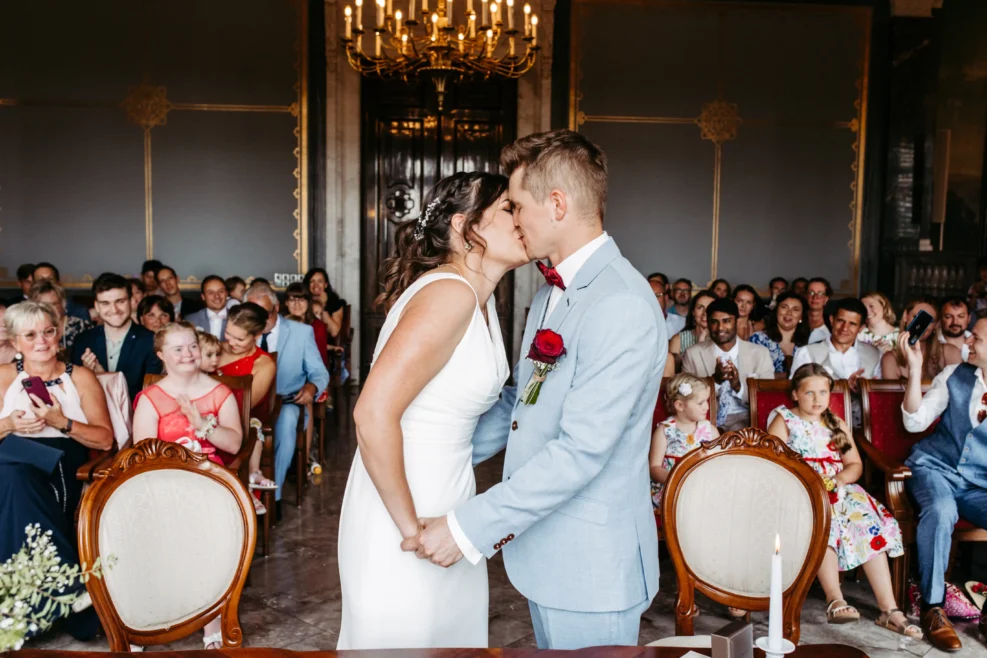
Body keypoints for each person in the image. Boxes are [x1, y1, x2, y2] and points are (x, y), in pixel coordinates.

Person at [406, 131, 665, 651]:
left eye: (517, 204)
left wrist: (465, 528)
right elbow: (522, 403)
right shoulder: (550, 291)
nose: (514, 218)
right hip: (547, 552)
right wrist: (430, 456)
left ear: (558, 204)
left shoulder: (621, 304)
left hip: (593, 565)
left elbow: (582, 451)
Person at [336, 171, 523, 648]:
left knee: (446, 640)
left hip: (449, 493)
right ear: (465, 227)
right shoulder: (448, 294)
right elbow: (371, 413)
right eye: (508, 208)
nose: (521, 217)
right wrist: (409, 529)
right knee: (409, 636)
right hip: (402, 503)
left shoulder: (480, 299)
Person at [768, 365, 918, 639]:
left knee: (867, 523)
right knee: (826, 521)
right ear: (795, 394)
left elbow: (854, 464)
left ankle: (889, 609)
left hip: (838, 487)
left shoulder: (835, 423)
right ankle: (835, 598)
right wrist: (811, 482)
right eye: (809, 392)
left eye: (823, 392)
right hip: (801, 488)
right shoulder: (784, 419)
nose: (817, 399)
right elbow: (774, 460)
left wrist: (838, 481)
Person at [0, 302, 113, 642]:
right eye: (30, 334)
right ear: (15, 341)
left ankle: (18, 617)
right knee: (13, 475)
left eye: (48, 332)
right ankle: (71, 588)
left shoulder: (79, 376)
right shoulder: (4, 375)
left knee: (13, 481)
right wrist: (7, 423)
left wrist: (60, 422)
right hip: (10, 457)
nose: (42, 341)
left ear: (59, 332)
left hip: (60, 463)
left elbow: (105, 439)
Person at [132, 321, 242, 650]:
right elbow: (145, 454)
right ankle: (142, 622)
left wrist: (202, 425)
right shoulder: (151, 398)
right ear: (162, 355)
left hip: (210, 481)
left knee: (204, 538)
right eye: (178, 349)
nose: (188, 354)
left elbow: (235, 444)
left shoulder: (220, 393)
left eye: (192, 345)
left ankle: (210, 626)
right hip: (164, 482)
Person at [901, 319, 987, 652]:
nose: (968, 341)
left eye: (976, 337)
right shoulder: (955, 375)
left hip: (979, 483)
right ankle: (933, 607)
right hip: (935, 468)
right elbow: (914, 421)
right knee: (940, 509)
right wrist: (915, 368)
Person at [245, 282, 328, 512]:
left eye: (266, 313)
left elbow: (319, 372)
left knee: (288, 423)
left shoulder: (301, 332)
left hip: (286, 402)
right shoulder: (241, 333)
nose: (260, 320)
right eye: (253, 314)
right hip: (247, 405)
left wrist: (312, 387)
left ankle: (275, 496)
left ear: (277, 307)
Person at [216, 302, 278, 511]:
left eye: (239, 339)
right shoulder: (213, 349)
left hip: (240, 423)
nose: (231, 342)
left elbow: (246, 405)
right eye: (228, 334)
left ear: (257, 334)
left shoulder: (263, 364)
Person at [682, 297, 774, 430]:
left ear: (736, 321)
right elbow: (686, 397)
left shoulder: (760, 354)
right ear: (707, 323)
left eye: (726, 321)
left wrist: (738, 386)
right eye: (714, 322)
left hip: (748, 421)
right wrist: (715, 382)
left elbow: (767, 400)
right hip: (706, 421)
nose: (720, 328)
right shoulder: (693, 354)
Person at [72, 274, 162, 403]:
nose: (114, 310)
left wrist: (105, 378)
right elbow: (75, 393)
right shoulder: (83, 340)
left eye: (120, 302)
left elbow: (150, 396)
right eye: (105, 303)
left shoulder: (151, 341)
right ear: (97, 306)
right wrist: (88, 375)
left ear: (131, 301)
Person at [650, 373, 718, 511]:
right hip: (672, 490)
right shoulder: (665, 431)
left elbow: (716, 463)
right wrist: (675, 480)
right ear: (680, 405)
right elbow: (654, 467)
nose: (706, 407)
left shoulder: (710, 431)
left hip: (701, 489)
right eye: (700, 403)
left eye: (707, 401)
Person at [882, 298, 960, 381]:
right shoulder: (891, 359)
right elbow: (891, 393)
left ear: (936, 325)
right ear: (905, 316)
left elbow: (961, 389)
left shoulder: (950, 352)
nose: (922, 326)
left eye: (929, 321)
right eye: (917, 317)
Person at [750, 291, 810, 374]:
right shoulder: (758, 339)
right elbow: (750, 373)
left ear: (801, 316)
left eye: (795, 309)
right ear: (776, 310)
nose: (789, 313)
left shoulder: (809, 342)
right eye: (784, 307)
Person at [28, 279, 91, 355]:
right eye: (44, 306)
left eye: (54, 304)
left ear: (62, 304)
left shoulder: (80, 325)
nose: (50, 309)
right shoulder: (29, 329)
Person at [668, 290, 716, 374]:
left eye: (710, 308)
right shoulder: (678, 340)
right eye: (700, 307)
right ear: (693, 312)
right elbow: (672, 374)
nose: (705, 313)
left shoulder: (722, 339)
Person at [283, 282, 331, 368]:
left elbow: (320, 361)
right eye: (292, 300)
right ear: (286, 303)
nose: (297, 304)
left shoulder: (318, 326)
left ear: (308, 302)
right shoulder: (281, 324)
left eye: (301, 300)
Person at [304, 267, 346, 342]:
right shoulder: (302, 301)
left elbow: (334, 332)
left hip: (327, 344)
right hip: (305, 341)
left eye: (320, 281)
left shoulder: (336, 303)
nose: (316, 285)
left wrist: (323, 306)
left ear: (325, 285)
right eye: (312, 281)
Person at [939, 297, 971, 362]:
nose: (955, 322)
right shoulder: (932, 344)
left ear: (969, 318)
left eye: (961, 316)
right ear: (940, 318)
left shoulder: (978, 342)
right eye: (948, 317)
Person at [806, 277, 832, 343]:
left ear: (826, 299)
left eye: (820, 293)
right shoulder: (797, 320)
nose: (815, 297)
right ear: (806, 296)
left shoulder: (832, 323)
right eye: (811, 293)